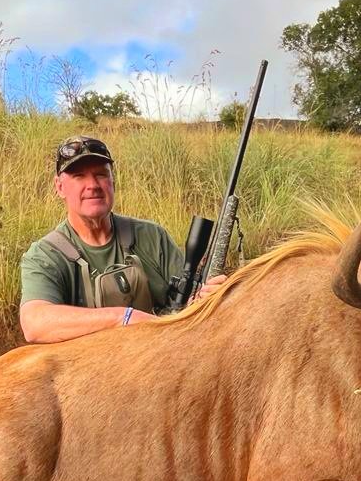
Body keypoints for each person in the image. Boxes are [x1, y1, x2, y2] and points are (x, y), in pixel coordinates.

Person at [19, 136, 225, 343]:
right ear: (60, 187)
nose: (92, 185)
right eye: (79, 176)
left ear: (112, 181)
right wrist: (124, 318)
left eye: (101, 174)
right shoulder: (45, 255)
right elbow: (34, 323)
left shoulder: (152, 236)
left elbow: (188, 303)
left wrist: (203, 300)